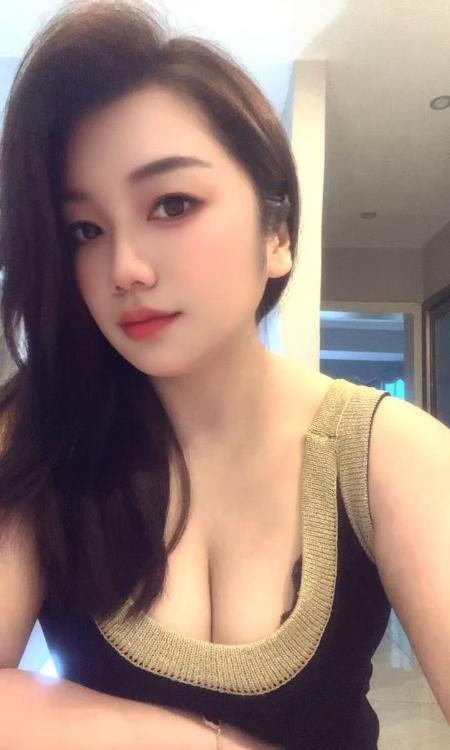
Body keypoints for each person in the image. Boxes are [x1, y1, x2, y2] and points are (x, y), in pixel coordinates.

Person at [0, 1, 448, 748]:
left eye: (172, 204)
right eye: (86, 230)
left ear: (278, 233)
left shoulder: (386, 454)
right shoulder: (42, 436)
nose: (125, 268)